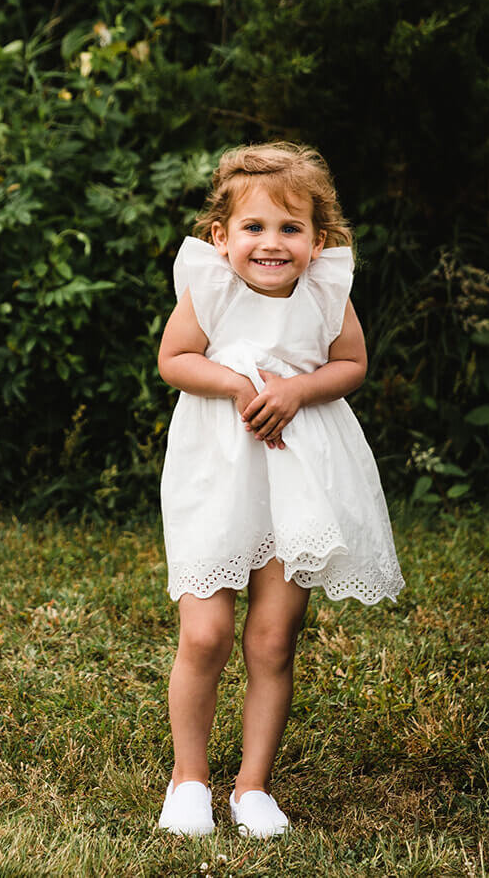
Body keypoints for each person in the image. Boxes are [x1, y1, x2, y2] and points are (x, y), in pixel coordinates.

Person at [153, 143, 403, 837]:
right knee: (205, 633)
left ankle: (252, 785)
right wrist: (234, 382)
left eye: (291, 229)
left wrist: (296, 387)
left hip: (297, 477)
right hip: (217, 474)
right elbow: (174, 358)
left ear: (318, 241)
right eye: (254, 227)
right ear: (221, 236)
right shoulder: (212, 289)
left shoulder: (325, 291)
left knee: (271, 637)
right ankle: (189, 778)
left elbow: (351, 362)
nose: (272, 243)